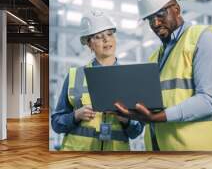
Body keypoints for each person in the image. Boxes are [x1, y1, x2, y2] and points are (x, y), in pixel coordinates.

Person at [115, 0, 212, 151]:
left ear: (176, 9)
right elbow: (151, 110)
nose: (155, 23)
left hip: (198, 157)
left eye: (160, 14)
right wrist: (130, 116)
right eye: (150, 18)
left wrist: (158, 117)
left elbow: (208, 101)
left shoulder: (203, 38)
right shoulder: (154, 58)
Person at [51, 10, 143, 151]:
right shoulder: (75, 76)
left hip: (114, 165)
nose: (106, 40)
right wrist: (76, 115)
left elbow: (136, 131)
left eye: (109, 34)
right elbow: (56, 124)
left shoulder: (130, 78)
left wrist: (126, 120)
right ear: (89, 44)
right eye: (99, 37)